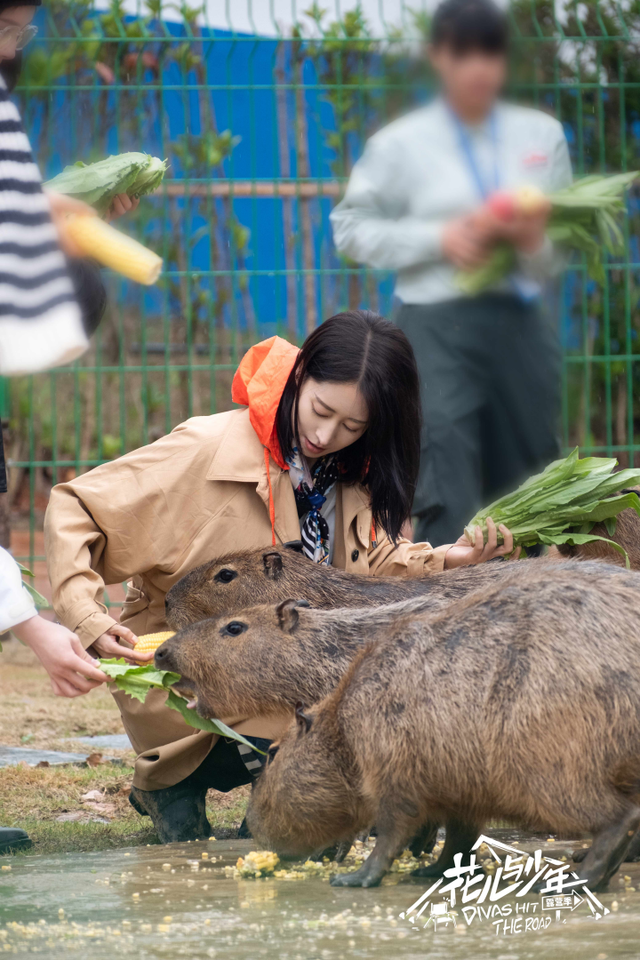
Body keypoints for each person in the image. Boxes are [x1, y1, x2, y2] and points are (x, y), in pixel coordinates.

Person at [44, 311, 517, 843]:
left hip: (287, 672)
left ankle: (274, 790)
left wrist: (444, 562)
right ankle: (172, 778)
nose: (325, 434)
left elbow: (360, 572)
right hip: (188, 670)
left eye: (352, 426)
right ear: (299, 376)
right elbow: (75, 508)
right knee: (323, 737)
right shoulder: (205, 448)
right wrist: (86, 615)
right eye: (320, 410)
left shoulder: (346, 471)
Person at [330, 0, 572, 548]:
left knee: (535, 469)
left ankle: (543, 600)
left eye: (490, 52)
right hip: (434, 322)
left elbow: (558, 248)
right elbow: (349, 226)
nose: (478, 68)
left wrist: (536, 241)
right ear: (439, 57)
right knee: (443, 468)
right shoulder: (401, 143)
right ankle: (453, 603)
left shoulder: (541, 136)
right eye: (463, 53)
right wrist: (438, 239)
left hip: (520, 319)